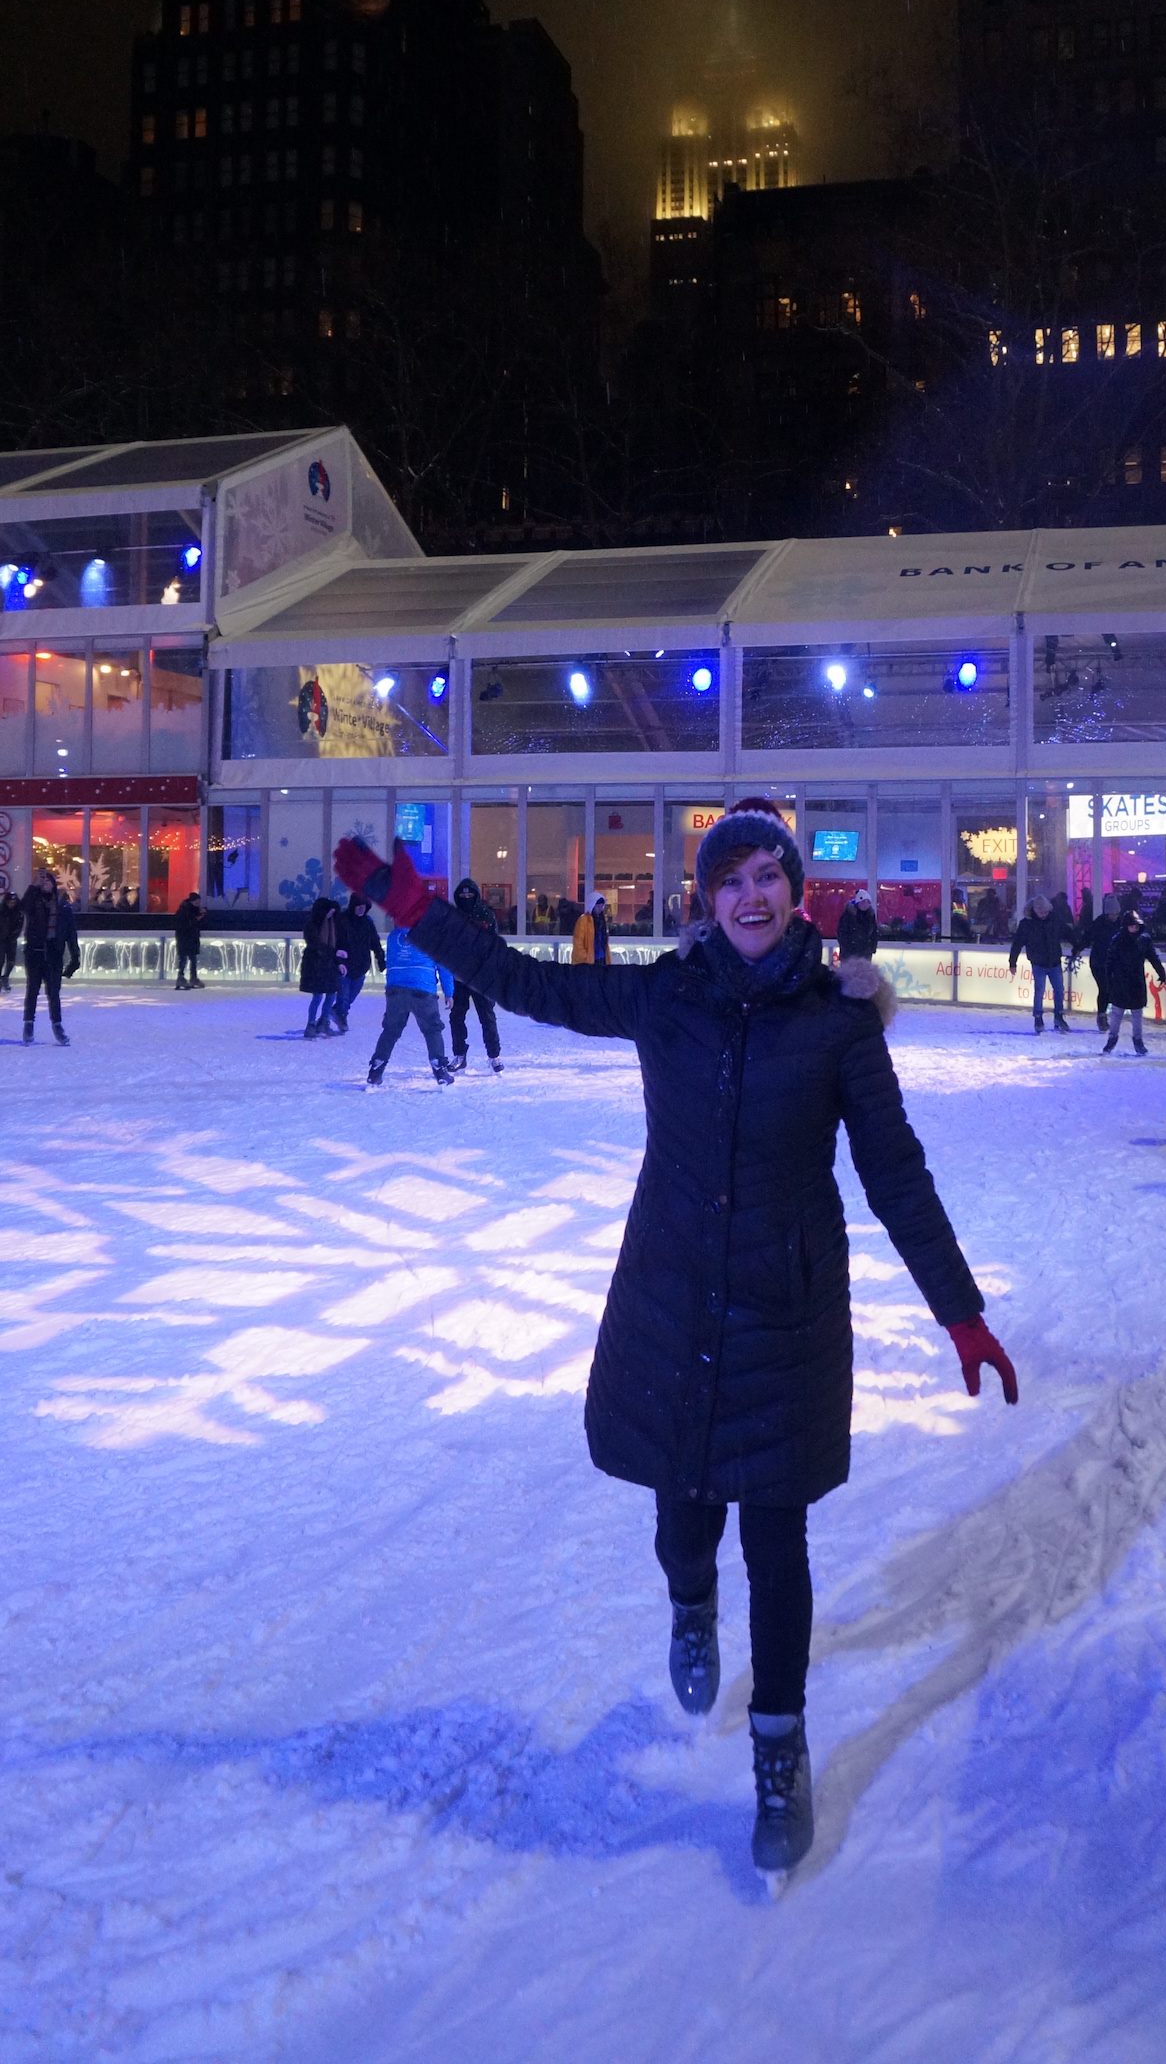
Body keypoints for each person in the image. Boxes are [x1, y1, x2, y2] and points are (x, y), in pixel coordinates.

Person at [334, 797, 1018, 1877]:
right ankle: (689, 1604)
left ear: (797, 892)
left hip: (786, 1310)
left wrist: (960, 1309)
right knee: (686, 1523)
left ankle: (780, 1752)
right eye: (731, 878)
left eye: (769, 876)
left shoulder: (837, 1024)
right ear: (707, 899)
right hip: (674, 1296)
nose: (752, 895)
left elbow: (894, 1171)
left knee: (778, 1542)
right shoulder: (666, 998)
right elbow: (528, 981)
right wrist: (411, 904)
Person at [366, 922, 456, 1088]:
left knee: (391, 1030)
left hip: (396, 989)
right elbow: (443, 966)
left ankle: (376, 1070)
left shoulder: (394, 936)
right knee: (432, 1030)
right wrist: (449, 992)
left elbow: (391, 962)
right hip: (422, 988)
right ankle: (439, 1069)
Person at [449, 878, 504, 1073]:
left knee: (487, 1016)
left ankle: (494, 1056)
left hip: (482, 976)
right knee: (456, 1016)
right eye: (462, 895)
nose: (466, 897)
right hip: (459, 976)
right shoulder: (453, 915)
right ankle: (459, 1055)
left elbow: (494, 943)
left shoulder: (485, 914)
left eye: (469, 894)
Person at [20, 869, 78, 1044]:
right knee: (32, 990)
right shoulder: (34, 903)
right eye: (41, 880)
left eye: (47, 880)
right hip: (35, 953)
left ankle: (57, 1026)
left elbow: (70, 933)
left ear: (53, 884)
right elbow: (22, 908)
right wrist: (33, 886)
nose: (44, 882)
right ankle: (28, 1025)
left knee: (54, 993)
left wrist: (75, 958)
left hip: (54, 955)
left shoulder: (63, 907)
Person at [1101, 907, 1165, 1055]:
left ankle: (1138, 1040)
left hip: (1136, 981)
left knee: (1137, 1013)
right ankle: (1112, 1038)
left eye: (1136, 926)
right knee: (1117, 1012)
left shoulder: (1144, 939)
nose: (1134, 928)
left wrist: (1160, 972)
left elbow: (1153, 957)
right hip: (1120, 981)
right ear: (1125, 926)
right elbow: (1110, 961)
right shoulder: (1117, 940)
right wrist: (1108, 979)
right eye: (1131, 925)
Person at [1009, 891, 1070, 1033]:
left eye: (1045, 912)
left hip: (1054, 961)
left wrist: (1077, 944)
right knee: (1039, 990)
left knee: (1059, 990)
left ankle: (1059, 1016)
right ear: (1035, 910)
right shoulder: (1026, 924)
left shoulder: (1054, 919)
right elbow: (1017, 943)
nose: (1043, 914)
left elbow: (1067, 932)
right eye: (1040, 912)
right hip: (1038, 963)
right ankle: (1038, 1017)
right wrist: (1013, 962)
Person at [335, 894, 385, 1030]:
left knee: (351, 996)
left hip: (361, 966)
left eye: (364, 907)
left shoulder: (367, 922)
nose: (361, 909)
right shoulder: (341, 920)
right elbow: (335, 943)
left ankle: (338, 1012)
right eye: (358, 906)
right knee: (343, 996)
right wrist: (338, 960)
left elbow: (374, 941)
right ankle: (341, 1017)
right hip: (344, 966)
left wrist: (380, 958)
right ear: (353, 906)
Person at [298, 893, 344, 1038]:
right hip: (315, 966)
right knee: (317, 996)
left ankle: (323, 1022)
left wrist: (338, 963)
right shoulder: (312, 926)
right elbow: (316, 945)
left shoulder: (331, 926)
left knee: (331, 995)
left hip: (329, 967)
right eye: (329, 912)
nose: (331, 915)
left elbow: (332, 946)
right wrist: (336, 954)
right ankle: (311, 1024)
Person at [1084, 893, 1121, 1032]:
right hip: (1099, 962)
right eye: (1111, 913)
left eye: (1116, 913)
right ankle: (1102, 1016)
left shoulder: (1120, 924)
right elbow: (1087, 937)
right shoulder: (1098, 924)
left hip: (1113, 963)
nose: (1114, 916)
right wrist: (1078, 947)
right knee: (1104, 988)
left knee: (1111, 989)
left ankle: (1107, 1015)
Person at [173, 892, 206, 990]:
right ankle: (182, 977)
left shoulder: (192, 910)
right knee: (184, 958)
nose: (198, 903)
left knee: (192, 958)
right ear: (192, 901)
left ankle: (192, 977)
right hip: (185, 937)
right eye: (196, 902)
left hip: (191, 937)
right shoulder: (184, 911)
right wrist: (198, 918)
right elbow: (185, 923)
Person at [836, 889, 879, 961]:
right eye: (863, 902)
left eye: (868, 902)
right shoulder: (848, 915)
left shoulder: (870, 916)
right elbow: (841, 933)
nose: (865, 904)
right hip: (849, 955)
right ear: (858, 902)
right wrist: (848, 948)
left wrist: (872, 948)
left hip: (865, 955)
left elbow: (874, 933)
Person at [573, 892, 610, 963]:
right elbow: (578, 942)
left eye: (602, 906)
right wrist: (584, 957)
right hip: (589, 960)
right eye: (598, 906)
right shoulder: (583, 920)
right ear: (592, 906)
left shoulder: (602, 920)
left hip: (601, 958)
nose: (600, 909)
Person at [0, 887, 22, 991]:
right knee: (0, 960)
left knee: (11, 961)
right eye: (10, 901)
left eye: (13, 902)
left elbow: (19, 927)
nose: (11, 904)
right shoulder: (2, 911)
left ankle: (5, 977)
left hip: (11, 940)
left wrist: (13, 936)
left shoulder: (18, 913)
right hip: (1, 939)